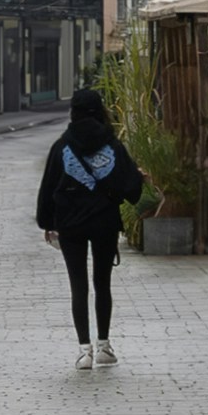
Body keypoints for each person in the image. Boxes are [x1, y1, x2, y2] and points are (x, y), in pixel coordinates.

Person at [35, 88, 143, 366]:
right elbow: (131, 189)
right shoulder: (113, 146)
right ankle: (104, 347)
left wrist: (47, 223)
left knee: (78, 285)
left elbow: (48, 188)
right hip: (104, 223)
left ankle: (85, 351)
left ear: (74, 113)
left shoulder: (61, 147)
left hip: (70, 225)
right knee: (102, 283)